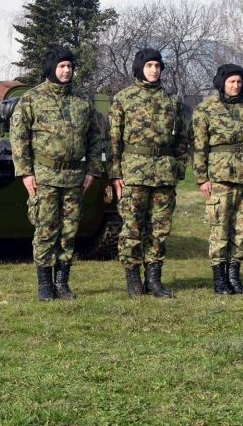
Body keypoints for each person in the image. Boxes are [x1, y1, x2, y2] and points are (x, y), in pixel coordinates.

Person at [11, 46, 106, 301]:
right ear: (51, 68)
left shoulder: (81, 102)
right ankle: (45, 285)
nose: (67, 71)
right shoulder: (31, 99)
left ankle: (62, 283)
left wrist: (93, 170)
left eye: (70, 66)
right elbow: (19, 138)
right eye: (62, 66)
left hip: (75, 178)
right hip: (45, 176)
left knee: (69, 232)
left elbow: (96, 137)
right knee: (45, 230)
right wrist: (25, 173)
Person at [108, 48, 189, 298]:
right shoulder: (123, 99)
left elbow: (182, 139)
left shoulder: (171, 100)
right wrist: (115, 174)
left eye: (157, 65)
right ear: (139, 68)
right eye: (149, 66)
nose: (154, 70)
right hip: (134, 173)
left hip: (164, 173)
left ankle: (154, 279)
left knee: (159, 228)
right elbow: (114, 141)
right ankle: (133, 278)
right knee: (132, 226)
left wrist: (179, 167)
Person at [192, 64, 243, 295]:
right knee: (219, 227)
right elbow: (199, 146)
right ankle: (219, 279)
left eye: (239, 82)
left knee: (240, 228)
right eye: (231, 81)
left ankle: (234, 276)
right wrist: (201, 178)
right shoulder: (206, 109)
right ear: (222, 83)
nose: (236, 86)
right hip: (219, 177)